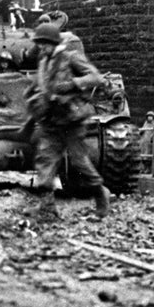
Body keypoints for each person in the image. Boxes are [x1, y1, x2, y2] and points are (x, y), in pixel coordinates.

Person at [25, 23, 111, 219]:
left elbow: (95, 77)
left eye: (44, 44)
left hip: (72, 120)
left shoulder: (70, 57)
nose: (41, 48)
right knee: (45, 159)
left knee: (79, 161)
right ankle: (47, 207)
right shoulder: (43, 62)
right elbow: (43, 84)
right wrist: (33, 93)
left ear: (53, 42)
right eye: (39, 44)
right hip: (51, 120)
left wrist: (73, 84)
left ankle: (100, 194)